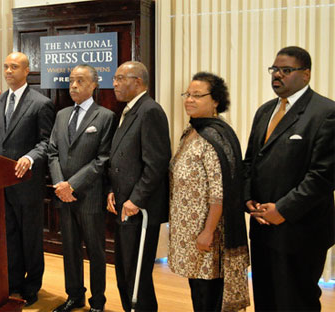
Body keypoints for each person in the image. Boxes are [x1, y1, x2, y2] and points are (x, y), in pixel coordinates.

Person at [244, 46, 335, 311]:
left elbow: (323, 176)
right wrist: (248, 198)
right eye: (274, 70)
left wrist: (282, 210)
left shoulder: (325, 112)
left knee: (296, 301)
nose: (277, 76)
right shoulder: (265, 111)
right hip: (262, 225)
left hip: (301, 230)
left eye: (286, 70)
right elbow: (250, 161)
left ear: (306, 75)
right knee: (266, 298)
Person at [0, 52, 55, 306]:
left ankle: (32, 285)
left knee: (30, 238)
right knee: (9, 238)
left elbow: (47, 142)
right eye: (5, 67)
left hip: (27, 185)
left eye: (14, 67)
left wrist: (30, 157)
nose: (8, 71)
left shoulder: (40, 103)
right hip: (0, 185)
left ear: (27, 71)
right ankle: (13, 282)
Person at [168, 72, 250, 311]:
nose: (189, 100)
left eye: (197, 95)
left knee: (208, 297)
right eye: (187, 94)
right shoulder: (193, 131)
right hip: (189, 232)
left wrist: (208, 230)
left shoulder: (214, 136)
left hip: (208, 235)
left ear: (215, 101)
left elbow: (219, 191)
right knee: (198, 293)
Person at [48, 64, 115, 312]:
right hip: (63, 196)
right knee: (70, 249)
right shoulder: (61, 114)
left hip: (88, 196)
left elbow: (103, 159)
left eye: (80, 81)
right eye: (71, 80)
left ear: (94, 85)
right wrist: (59, 184)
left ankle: (97, 302)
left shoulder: (105, 116)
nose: (73, 85)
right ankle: (74, 296)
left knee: (96, 252)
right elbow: (52, 151)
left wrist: (72, 185)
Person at [106, 61, 171, 311]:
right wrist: (111, 190)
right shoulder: (129, 110)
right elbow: (120, 158)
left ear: (139, 82)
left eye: (121, 78)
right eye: (114, 78)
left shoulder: (150, 110)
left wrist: (136, 200)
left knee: (137, 277)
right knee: (125, 271)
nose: (115, 83)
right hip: (124, 204)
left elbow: (156, 164)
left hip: (139, 210)